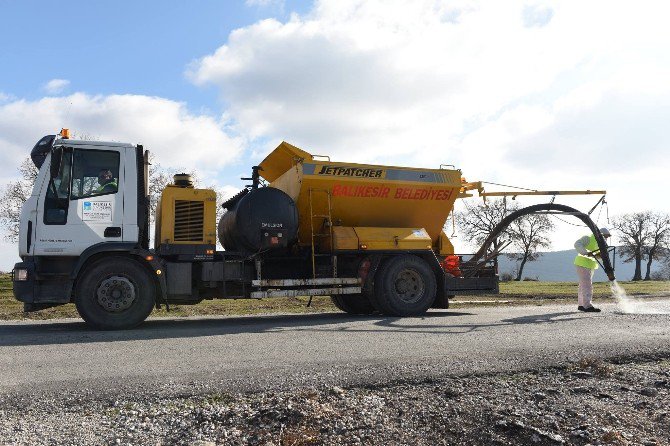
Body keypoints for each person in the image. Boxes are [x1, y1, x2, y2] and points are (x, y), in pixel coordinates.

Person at [574, 227, 611, 312]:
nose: (606, 238)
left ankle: (581, 305)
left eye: (607, 237)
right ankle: (587, 306)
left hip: (589, 265)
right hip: (582, 263)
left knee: (583, 285)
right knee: (587, 285)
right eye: (605, 236)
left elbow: (595, 254)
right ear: (599, 234)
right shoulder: (588, 238)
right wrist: (586, 253)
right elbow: (577, 244)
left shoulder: (600, 243)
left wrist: (598, 255)